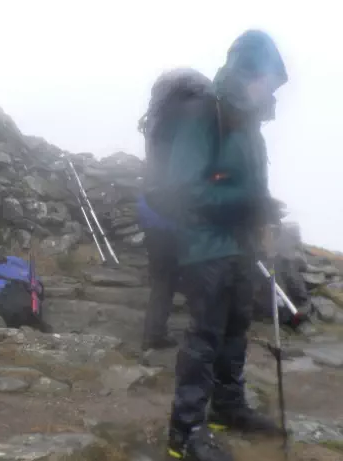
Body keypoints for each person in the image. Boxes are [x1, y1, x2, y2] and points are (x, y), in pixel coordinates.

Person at [160, 30, 289, 461]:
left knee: (236, 330)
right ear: (246, 71)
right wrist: (246, 202)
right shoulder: (204, 114)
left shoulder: (250, 126)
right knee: (205, 336)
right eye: (266, 78)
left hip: (240, 246)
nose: (270, 88)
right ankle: (186, 430)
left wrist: (264, 212)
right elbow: (182, 190)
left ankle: (227, 407)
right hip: (205, 246)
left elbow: (252, 185)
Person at [138, 193, 179, 351]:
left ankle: (153, 333)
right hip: (170, 236)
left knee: (161, 284)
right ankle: (155, 334)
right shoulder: (175, 180)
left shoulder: (151, 183)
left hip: (153, 234)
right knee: (165, 285)